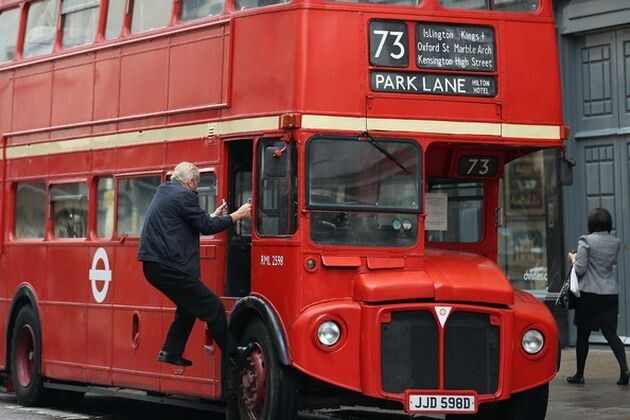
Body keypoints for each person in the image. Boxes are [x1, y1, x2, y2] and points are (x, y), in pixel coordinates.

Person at [138, 162, 252, 367]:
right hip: (168, 265)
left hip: (155, 265)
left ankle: (171, 351)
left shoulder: (165, 192)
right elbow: (206, 228)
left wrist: (214, 216)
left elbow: (191, 221)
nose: (196, 188)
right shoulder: (184, 196)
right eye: (196, 184)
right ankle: (235, 353)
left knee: (188, 307)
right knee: (213, 306)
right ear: (190, 182)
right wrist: (237, 215)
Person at [566, 207, 629, 385]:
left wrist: (573, 258)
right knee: (611, 334)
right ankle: (624, 369)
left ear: (591, 223)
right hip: (609, 293)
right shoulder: (615, 242)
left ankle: (579, 374)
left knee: (583, 334)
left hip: (589, 294)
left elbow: (580, 269)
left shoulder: (586, 240)